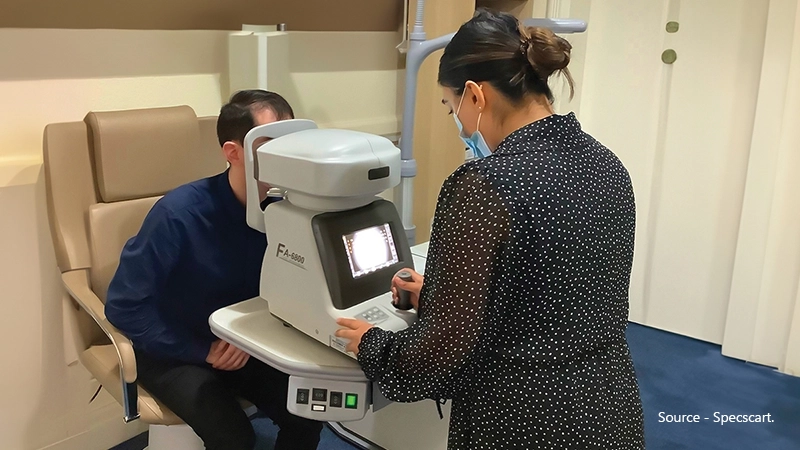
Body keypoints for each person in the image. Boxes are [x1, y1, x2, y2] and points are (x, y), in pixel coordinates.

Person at [336, 9, 645, 450]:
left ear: (476, 97)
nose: (459, 124)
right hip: (606, 408)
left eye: (450, 106)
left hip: (522, 418)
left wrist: (372, 345)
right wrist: (444, 296)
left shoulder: (484, 185)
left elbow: (436, 358)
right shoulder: (604, 163)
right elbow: (562, 291)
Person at [105, 90, 323, 450]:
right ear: (233, 153)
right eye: (270, 145)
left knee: (309, 412)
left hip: (247, 343)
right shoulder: (178, 215)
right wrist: (201, 350)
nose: (286, 157)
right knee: (233, 437)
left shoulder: (287, 211)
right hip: (174, 348)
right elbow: (124, 306)